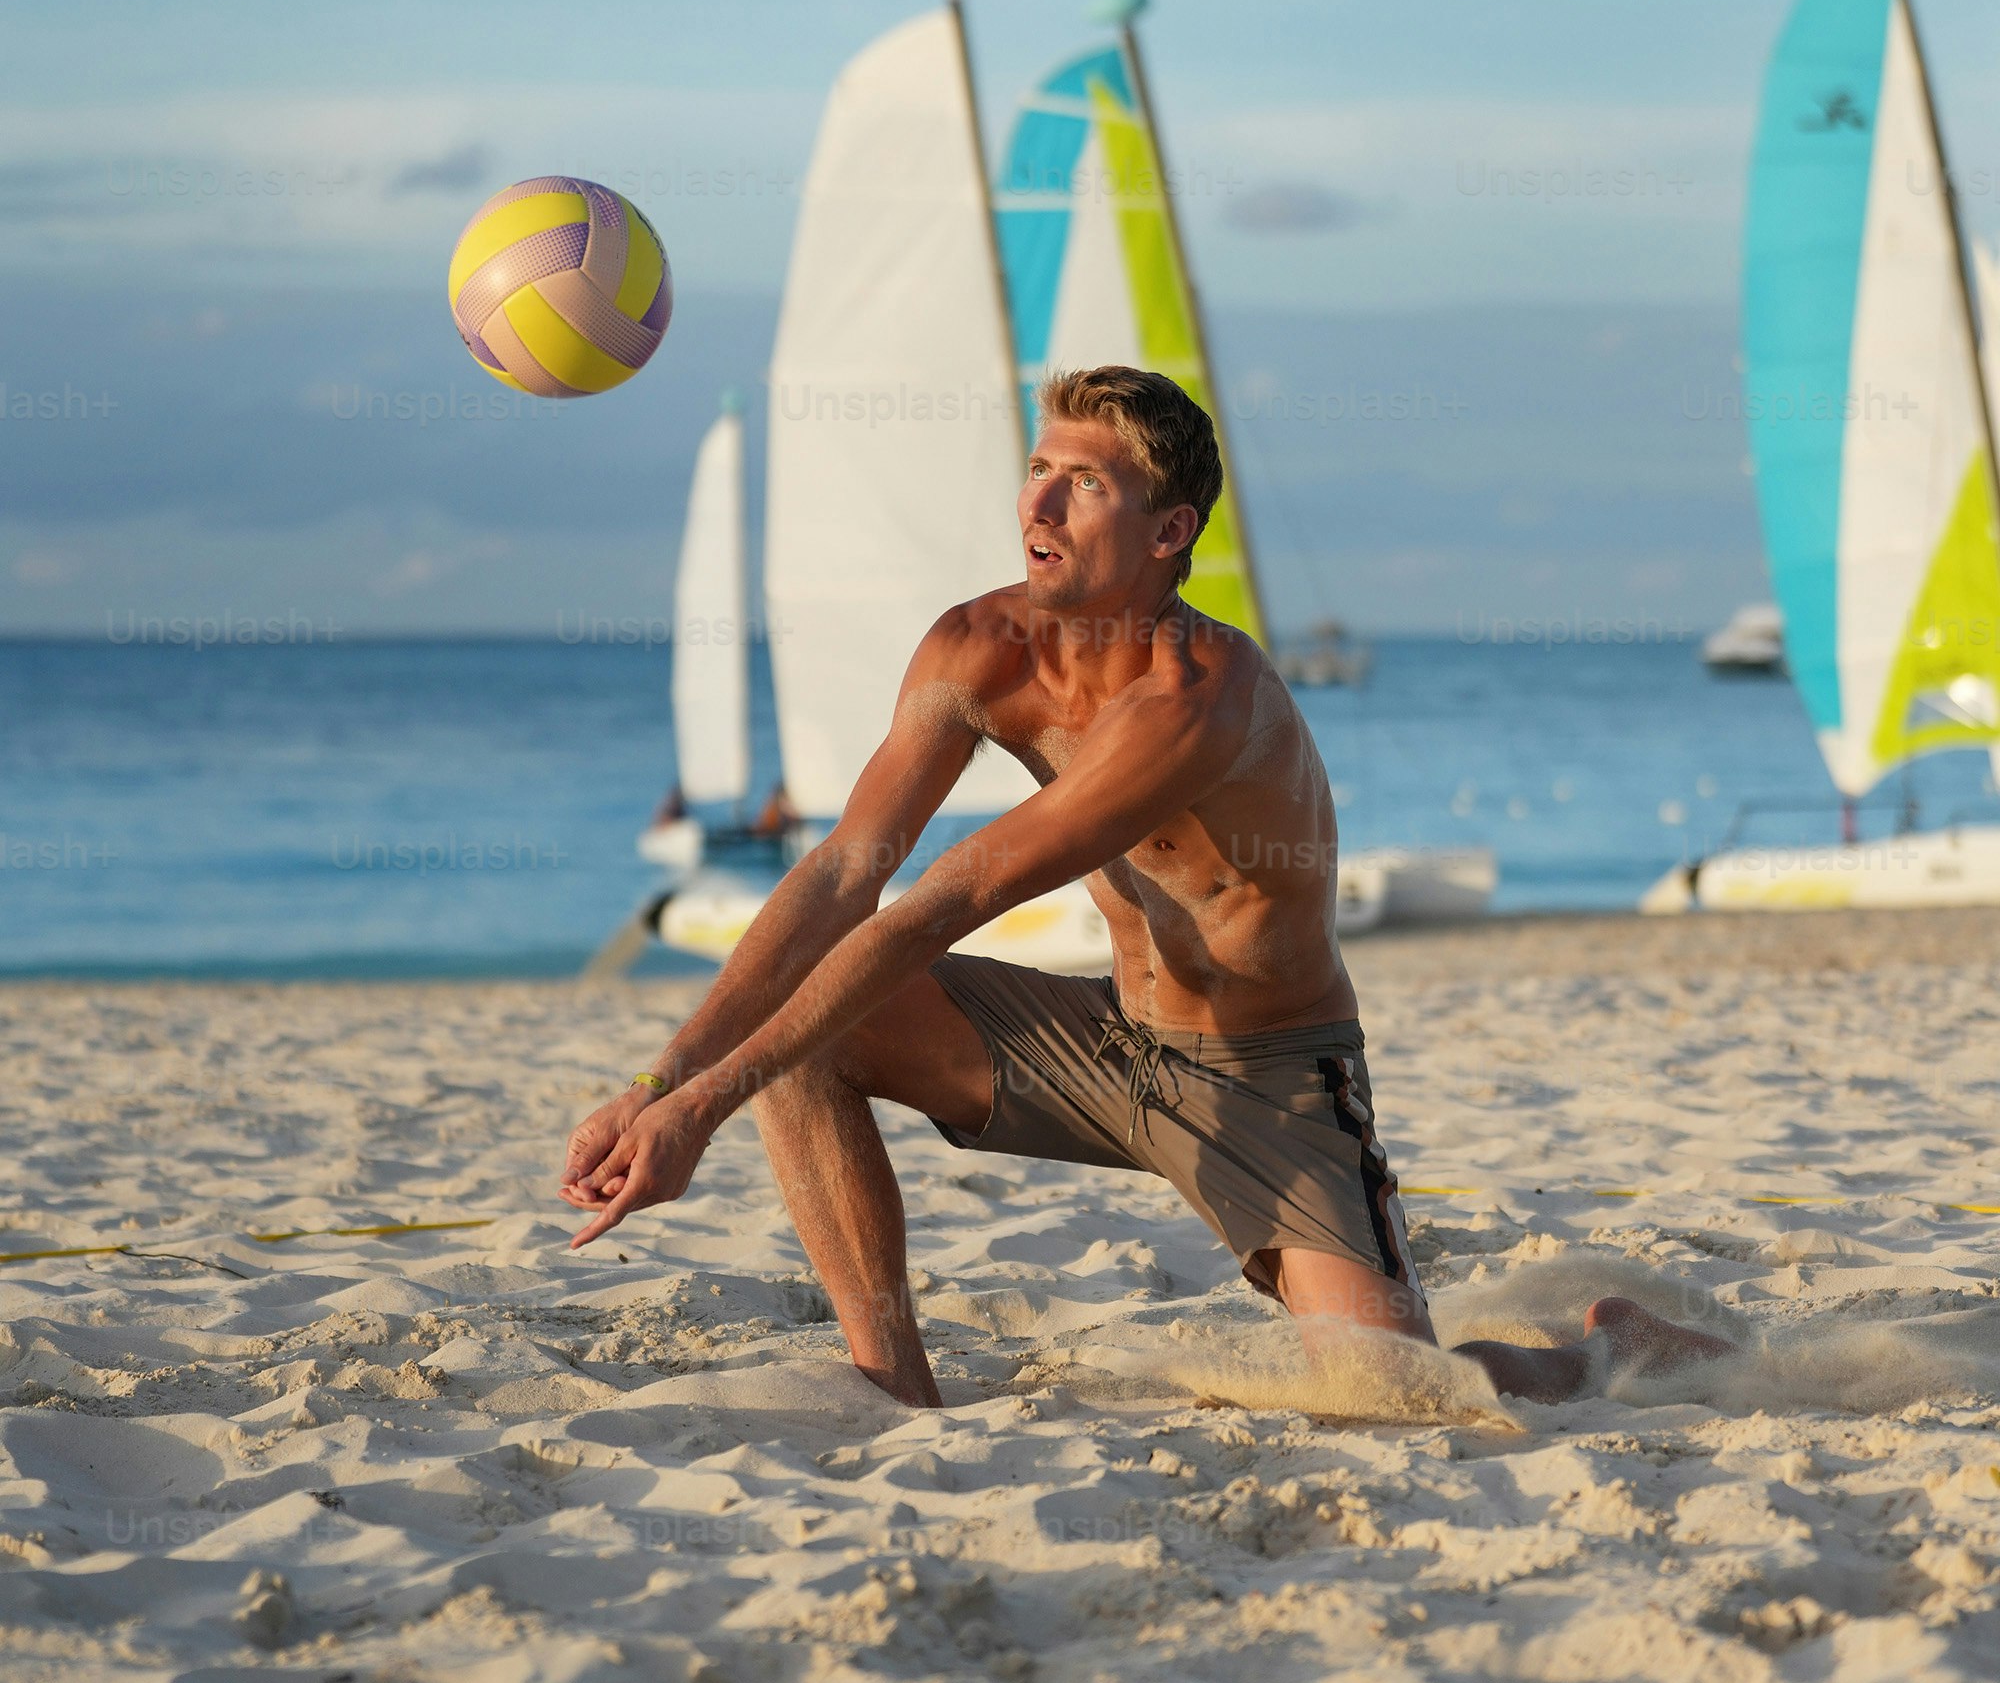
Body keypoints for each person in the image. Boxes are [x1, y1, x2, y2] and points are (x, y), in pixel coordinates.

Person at [561, 367, 1728, 1409]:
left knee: (1393, 1395)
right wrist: (662, 1080)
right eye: (1036, 470)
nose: (1038, 504)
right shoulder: (976, 651)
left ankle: (1603, 1353)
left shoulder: (1195, 700)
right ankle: (892, 1386)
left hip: (1268, 1075)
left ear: (1169, 530)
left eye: (1082, 483)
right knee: (811, 1023)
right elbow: (842, 876)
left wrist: (700, 1111)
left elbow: (941, 903)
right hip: (1106, 1042)